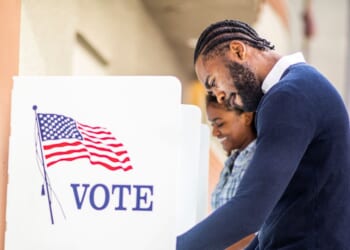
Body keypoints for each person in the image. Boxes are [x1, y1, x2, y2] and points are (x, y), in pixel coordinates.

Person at [176, 19, 350, 249]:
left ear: (238, 50)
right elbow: (274, 220)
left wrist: (170, 246)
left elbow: (250, 209)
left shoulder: (290, 95)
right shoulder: (299, 88)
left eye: (214, 82)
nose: (219, 96)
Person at [206, 94, 257, 249]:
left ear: (246, 117)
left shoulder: (258, 161)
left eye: (219, 124)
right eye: (212, 125)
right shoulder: (233, 161)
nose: (214, 133)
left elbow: (254, 230)